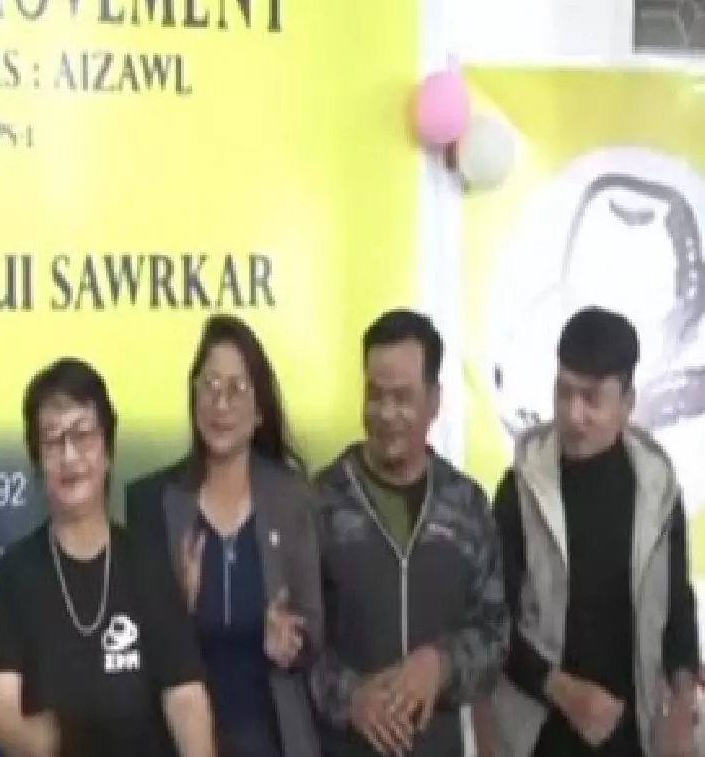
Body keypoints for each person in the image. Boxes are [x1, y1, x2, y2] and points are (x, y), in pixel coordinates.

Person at [484, 307, 699, 757]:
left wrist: (683, 701)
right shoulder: (522, 488)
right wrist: (564, 691)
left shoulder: (658, 487)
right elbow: (492, 624)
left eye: (591, 398)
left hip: (634, 735)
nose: (573, 414)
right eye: (563, 392)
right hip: (539, 735)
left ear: (627, 402)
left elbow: (677, 603)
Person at [0, 357, 216, 757]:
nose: (70, 456)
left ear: (107, 452)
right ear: (38, 463)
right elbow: (2, 708)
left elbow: (186, 696)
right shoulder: (14, 574)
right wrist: (34, 740)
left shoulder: (148, 564)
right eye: (53, 441)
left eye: (83, 435)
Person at [311, 309, 509, 757]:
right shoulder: (319, 502)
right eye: (374, 395)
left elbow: (495, 633)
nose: (386, 414)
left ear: (434, 401)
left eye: (402, 398)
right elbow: (298, 646)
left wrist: (441, 665)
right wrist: (351, 698)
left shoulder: (468, 505)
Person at [126, 315, 322, 757]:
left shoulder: (292, 498)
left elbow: (315, 629)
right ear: (193, 396)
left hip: (273, 741)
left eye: (237, 389)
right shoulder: (151, 503)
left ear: (259, 410)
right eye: (210, 386)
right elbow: (130, 651)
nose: (221, 404)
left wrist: (291, 645)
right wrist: (179, 608)